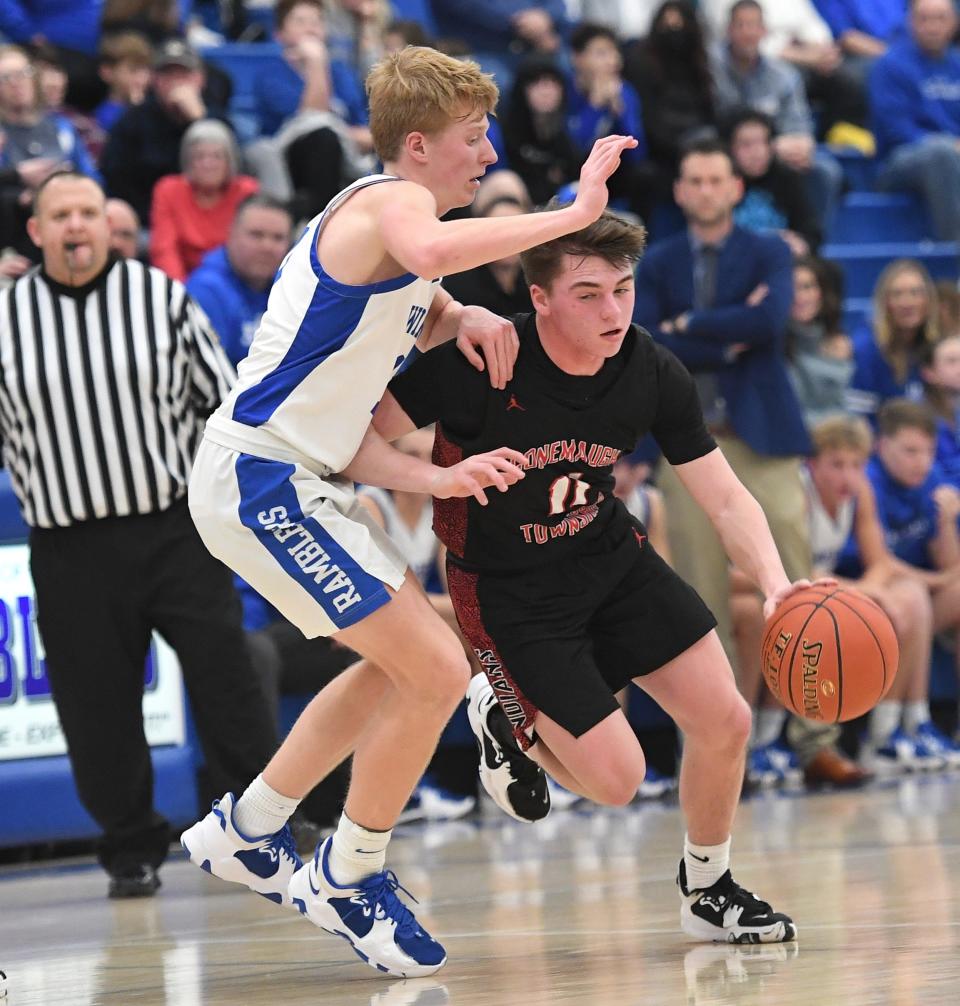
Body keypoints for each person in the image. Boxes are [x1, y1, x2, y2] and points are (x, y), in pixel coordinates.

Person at [178, 45, 636, 978]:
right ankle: (349, 873)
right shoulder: (393, 203)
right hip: (263, 478)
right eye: (474, 140)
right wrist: (574, 213)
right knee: (434, 670)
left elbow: (356, 426)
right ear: (418, 146)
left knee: (402, 668)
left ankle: (251, 830)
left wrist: (443, 453)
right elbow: (427, 250)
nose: (486, 154)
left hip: (302, 477)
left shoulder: (394, 254)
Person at [372, 207, 805, 944]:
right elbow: (360, 435)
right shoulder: (482, 360)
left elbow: (725, 496)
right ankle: (503, 715)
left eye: (624, 289)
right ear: (539, 298)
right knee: (617, 781)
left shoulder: (650, 369)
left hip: (608, 557)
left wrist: (775, 584)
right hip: (507, 588)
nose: (613, 311)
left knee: (726, 718)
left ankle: (708, 887)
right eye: (588, 293)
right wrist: (433, 477)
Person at [0, 170, 277, 898]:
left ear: (108, 222)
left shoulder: (160, 298)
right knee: (96, 707)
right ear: (36, 231)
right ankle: (130, 844)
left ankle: (259, 824)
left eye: (88, 212)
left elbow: (223, 407)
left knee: (228, 678)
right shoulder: (5, 317)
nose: (75, 227)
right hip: (69, 547)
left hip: (172, 531)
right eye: (60, 215)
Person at [634, 136, 868, 788]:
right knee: (699, 607)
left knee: (797, 591)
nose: (706, 190)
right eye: (695, 180)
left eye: (717, 180)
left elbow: (766, 332)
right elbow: (649, 341)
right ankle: (713, 749)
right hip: (687, 448)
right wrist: (719, 331)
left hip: (761, 439)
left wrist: (692, 327)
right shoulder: (658, 259)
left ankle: (815, 739)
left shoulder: (768, 248)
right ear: (680, 191)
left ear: (737, 190)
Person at [834, 399, 960, 765]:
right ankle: (885, 733)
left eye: (928, 451)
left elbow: (950, 565)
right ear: (881, 446)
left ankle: (921, 724)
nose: (921, 461)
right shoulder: (866, 482)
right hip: (855, 597)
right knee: (914, 596)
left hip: (903, 597)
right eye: (910, 451)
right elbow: (883, 565)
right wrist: (937, 578)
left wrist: (948, 523)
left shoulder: (930, 479)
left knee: (941, 593)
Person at [710, 0, 842, 229]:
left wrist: (798, 144)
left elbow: (799, 126)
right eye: (741, 25)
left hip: (774, 153)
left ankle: (811, 246)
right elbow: (713, 122)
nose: (748, 32)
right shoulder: (709, 68)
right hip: (724, 151)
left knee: (826, 171)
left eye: (754, 25)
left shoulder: (783, 74)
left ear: (765, 31)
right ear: (728, 30)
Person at [100, 39, 226, 223]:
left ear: (200, 79)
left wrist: (199, 119)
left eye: (183, 74)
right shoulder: (132, 121)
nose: (175, 83)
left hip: (212, 218)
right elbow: (116, 180)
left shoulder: (217, 119)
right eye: (168, 74)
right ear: (155, 80)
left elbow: (232, 171)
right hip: (149, 221)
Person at [869, 0, 960, 242]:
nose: (932, 26)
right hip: (898, 162)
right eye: (924, 18)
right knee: (941, 154)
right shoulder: (890, 64)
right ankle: (953, 252)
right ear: (910, 21)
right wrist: (951, 146)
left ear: (955, 22)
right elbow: (896, 129)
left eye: (941, 18)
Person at [186, 194, 294, 367]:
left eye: (278, 238)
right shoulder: (205, 290)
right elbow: (212, 375)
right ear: (230, 235)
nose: (267, 246)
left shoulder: (292, 287)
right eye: (256, 235)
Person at [149, 119, 259, 282]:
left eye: (216, 156)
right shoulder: (169, 189)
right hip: (183, 282)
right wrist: (181, 292)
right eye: (199, 157)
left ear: (230, 162)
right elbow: (164, 249)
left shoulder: (247, 191)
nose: (208, 164)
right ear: (187, 162)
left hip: (235, 283)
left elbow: (250, 249)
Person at [622, 1, 717, 180]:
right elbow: (646, 116)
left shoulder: (700, 62)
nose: (674, 31)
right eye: (667, 25)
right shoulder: (642, 62)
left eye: (679, 24)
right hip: (658, 150)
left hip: (698, 138)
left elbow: (708, 108)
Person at [847, 258, 940, 425]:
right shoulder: (866, 350)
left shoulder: (940, 346)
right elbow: (860, 422)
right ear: (884, 303)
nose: (907, 303)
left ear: (929, 300)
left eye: (915, 293)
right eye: (897, 294)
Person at [727, 109, 821, 255]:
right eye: (746, 144)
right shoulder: (720, 181)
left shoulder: (787, 178)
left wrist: (801, 243)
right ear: (730, 147)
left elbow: (811, 232)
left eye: (763, 142)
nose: (757, 152)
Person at [500, 54, 584, 207]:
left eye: (552, 83)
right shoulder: (504, 133)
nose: (546, 90)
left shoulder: (567, 133)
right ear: (522, 89)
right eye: (536, 83)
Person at [786, 254, 853, 427]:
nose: (799, 297)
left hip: (838, 440)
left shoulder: (840, 343)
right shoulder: (768, 345)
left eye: (807, 287)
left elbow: (846, 405)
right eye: (791, 288)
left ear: (821, 293)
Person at [441, 195, 535, 317]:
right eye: (499, 231)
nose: (509, 240)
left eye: (517, 230)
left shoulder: (538, 277)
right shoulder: (457, 283)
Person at [94, 30, 153, 133]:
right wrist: (137, 111)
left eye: (146, 70)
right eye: (133, 71)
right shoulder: (104, 117)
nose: (142, 78)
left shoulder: (153, 105)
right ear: (107, 72)